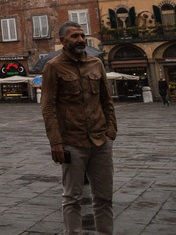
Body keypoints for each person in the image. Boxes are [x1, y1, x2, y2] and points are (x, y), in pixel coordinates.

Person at [41, 21, 117, 235]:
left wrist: (111, 131)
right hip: (72, 143)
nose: (81, 40)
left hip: (101, 141)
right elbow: (48, 107)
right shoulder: (53, 67)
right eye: (74, 36)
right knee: (72, 198)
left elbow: (106, 100)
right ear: (62, 41)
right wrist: (55, 142)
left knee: (104, 197)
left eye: (82, 35)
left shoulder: (96, 64)